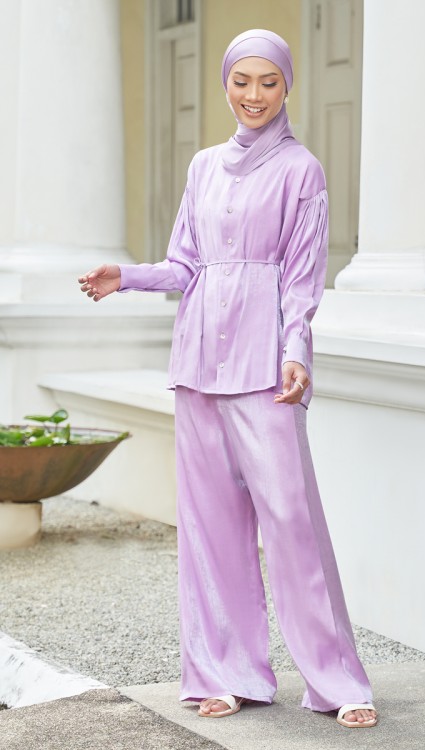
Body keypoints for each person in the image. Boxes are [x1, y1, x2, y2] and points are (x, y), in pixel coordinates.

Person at [79, 29, 377, 729]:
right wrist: (128, 276)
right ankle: (227, 673)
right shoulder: (203, 167)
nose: (254, 95)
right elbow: (186, 264)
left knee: (293, 524)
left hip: (265, 367)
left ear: (287, 86)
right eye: (241, 81)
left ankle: (338, 681)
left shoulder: (302, 171)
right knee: (210, 529)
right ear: (225, 84)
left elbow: (302, 277)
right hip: (197, 366)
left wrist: (297, 350)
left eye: (268, 81)